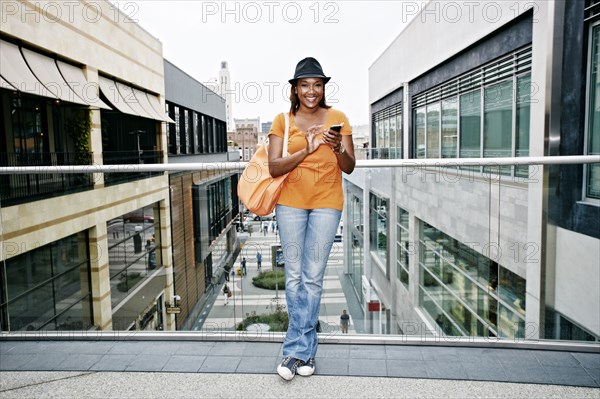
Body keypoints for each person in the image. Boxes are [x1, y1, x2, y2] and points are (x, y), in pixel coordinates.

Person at [268, 57, 355, 381]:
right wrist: (306, 148)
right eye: (305, 85)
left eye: (317, 85)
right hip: (290, 203)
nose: (311, 91)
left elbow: (349, 167)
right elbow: (274, 167)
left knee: (312, 278)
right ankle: (303, 353)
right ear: (295, 88)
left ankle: (295, 352)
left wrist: (335, 149)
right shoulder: (282, 121)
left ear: (323, 88)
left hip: (327, 203)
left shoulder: (339, 118)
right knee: (294, 277)